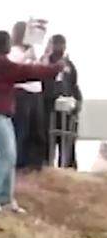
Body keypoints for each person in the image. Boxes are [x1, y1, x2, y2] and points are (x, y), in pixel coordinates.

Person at [0, 31, 64, 214]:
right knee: (7, 154)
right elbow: (26, 72)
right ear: (2, 44)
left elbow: (25, 71)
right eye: (8, 42)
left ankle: (5, 199)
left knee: (11, 155)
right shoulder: (0, 62)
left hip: (1, 113)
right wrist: (55, 68)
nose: (11, 45)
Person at [10, 21, 47, 171]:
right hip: (21, 92)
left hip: (36, 92)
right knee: (21, 129)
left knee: (37, 129)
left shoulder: (32, 51)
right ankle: (19, 163)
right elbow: (13, 67)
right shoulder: (13, 51)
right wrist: (26, 55)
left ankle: (36, 162)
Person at [42, 35, 81, 169]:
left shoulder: (69, 65)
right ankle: (47, 170)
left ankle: (68, 170)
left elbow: (74, 85)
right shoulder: (44, 63)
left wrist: (77, 102)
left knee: (68, 145)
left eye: (62, 44)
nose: (60, 48)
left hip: (67, 111)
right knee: (47, 144)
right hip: (49, 110)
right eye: (57, 44)